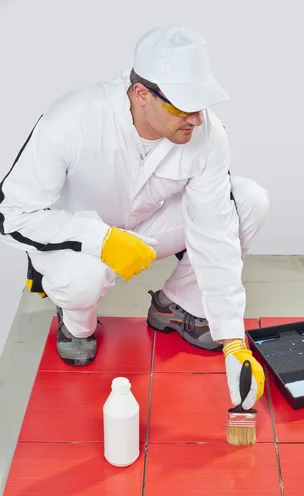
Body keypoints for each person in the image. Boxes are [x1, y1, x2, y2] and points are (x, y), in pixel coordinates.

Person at [0, 26, 268, 410]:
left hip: (145, 228)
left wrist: (233, 341)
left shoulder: (206, 132)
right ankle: (76, 326)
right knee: (82, 280)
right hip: (76, 244)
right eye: (182, 105)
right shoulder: (73, 119)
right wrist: (100, 239)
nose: (195, 119)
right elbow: (11, 215)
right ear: (142, 93)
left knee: (248, 201)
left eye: (201, 104)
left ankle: (178, 306)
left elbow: (215, 231)